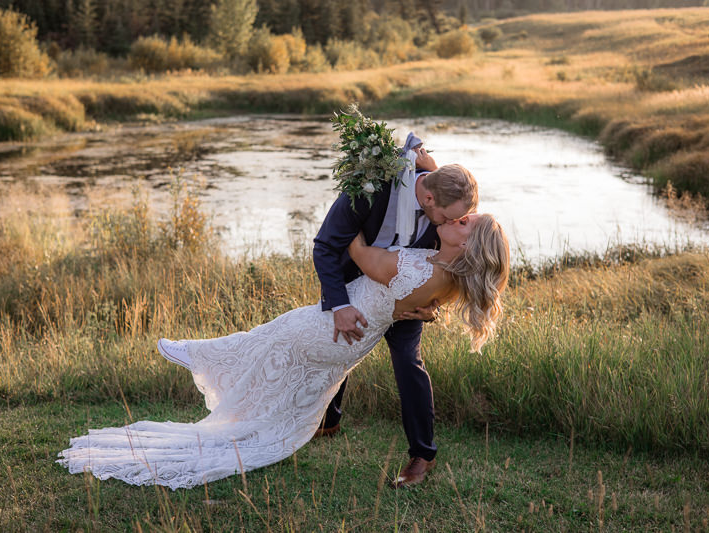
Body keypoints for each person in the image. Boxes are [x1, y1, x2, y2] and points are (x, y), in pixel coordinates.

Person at [58, 213, 510, 490]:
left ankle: (200, 354)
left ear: (468, 243)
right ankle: (235, 388)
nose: (458, 219)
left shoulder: (424, 270)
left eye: (466, 222)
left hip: (335, 327)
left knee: (267, 339)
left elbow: (361, 252)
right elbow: (411, 302)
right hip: (352, 336)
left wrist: (351, 209)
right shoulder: (447, 275)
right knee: (279, 354)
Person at [312, 150, 478, 487]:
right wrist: (340, 305)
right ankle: (328, 419)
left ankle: (423, 454)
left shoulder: (450, 203)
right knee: (339, 347)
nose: (450, 226)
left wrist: (433, 308)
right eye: (446, 219)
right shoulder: (370, 186)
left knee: (407, 361)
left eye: (457, 220)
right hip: (352, 287)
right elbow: (326, 246)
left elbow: (453, 260)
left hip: (407, 293)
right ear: (428, 197)